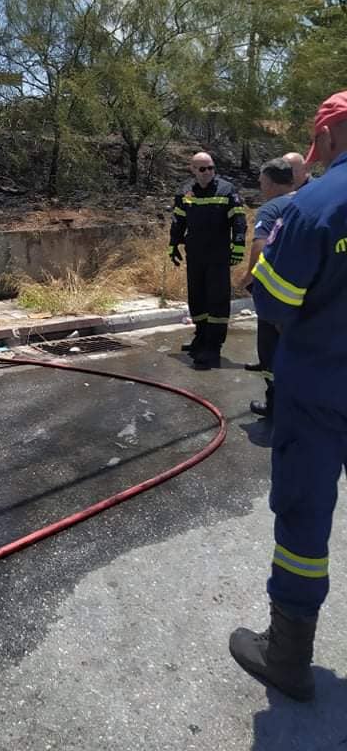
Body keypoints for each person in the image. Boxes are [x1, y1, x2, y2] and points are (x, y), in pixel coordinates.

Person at [229, 91, 347, 702]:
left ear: (326, 139)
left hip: (323, 390)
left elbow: (272, 302)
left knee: (304, 515)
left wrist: (271, 261)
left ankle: (289, 652)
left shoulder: (316, 205)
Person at [169, 152, 247, 370]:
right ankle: (201, 338)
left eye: (211, 168)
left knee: (217, 301)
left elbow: (239, 221)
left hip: (218, 257)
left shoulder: (227, 190)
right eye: (202, 169)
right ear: (192, 169)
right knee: (197, 299)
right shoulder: (186, 192)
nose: (208, 173)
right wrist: (173, 244)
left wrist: (238, 247)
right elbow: (179, 220)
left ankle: (213, 348)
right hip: (195, 256)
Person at [240, 158, 294, 420]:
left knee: (270, 351)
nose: (260, 187)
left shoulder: (271, 209)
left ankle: (274, 406)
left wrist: (248, 277)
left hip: (274, 294)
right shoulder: (307, 201)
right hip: (303, 293)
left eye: (261, 182)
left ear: (271, 182)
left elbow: (260, 246)